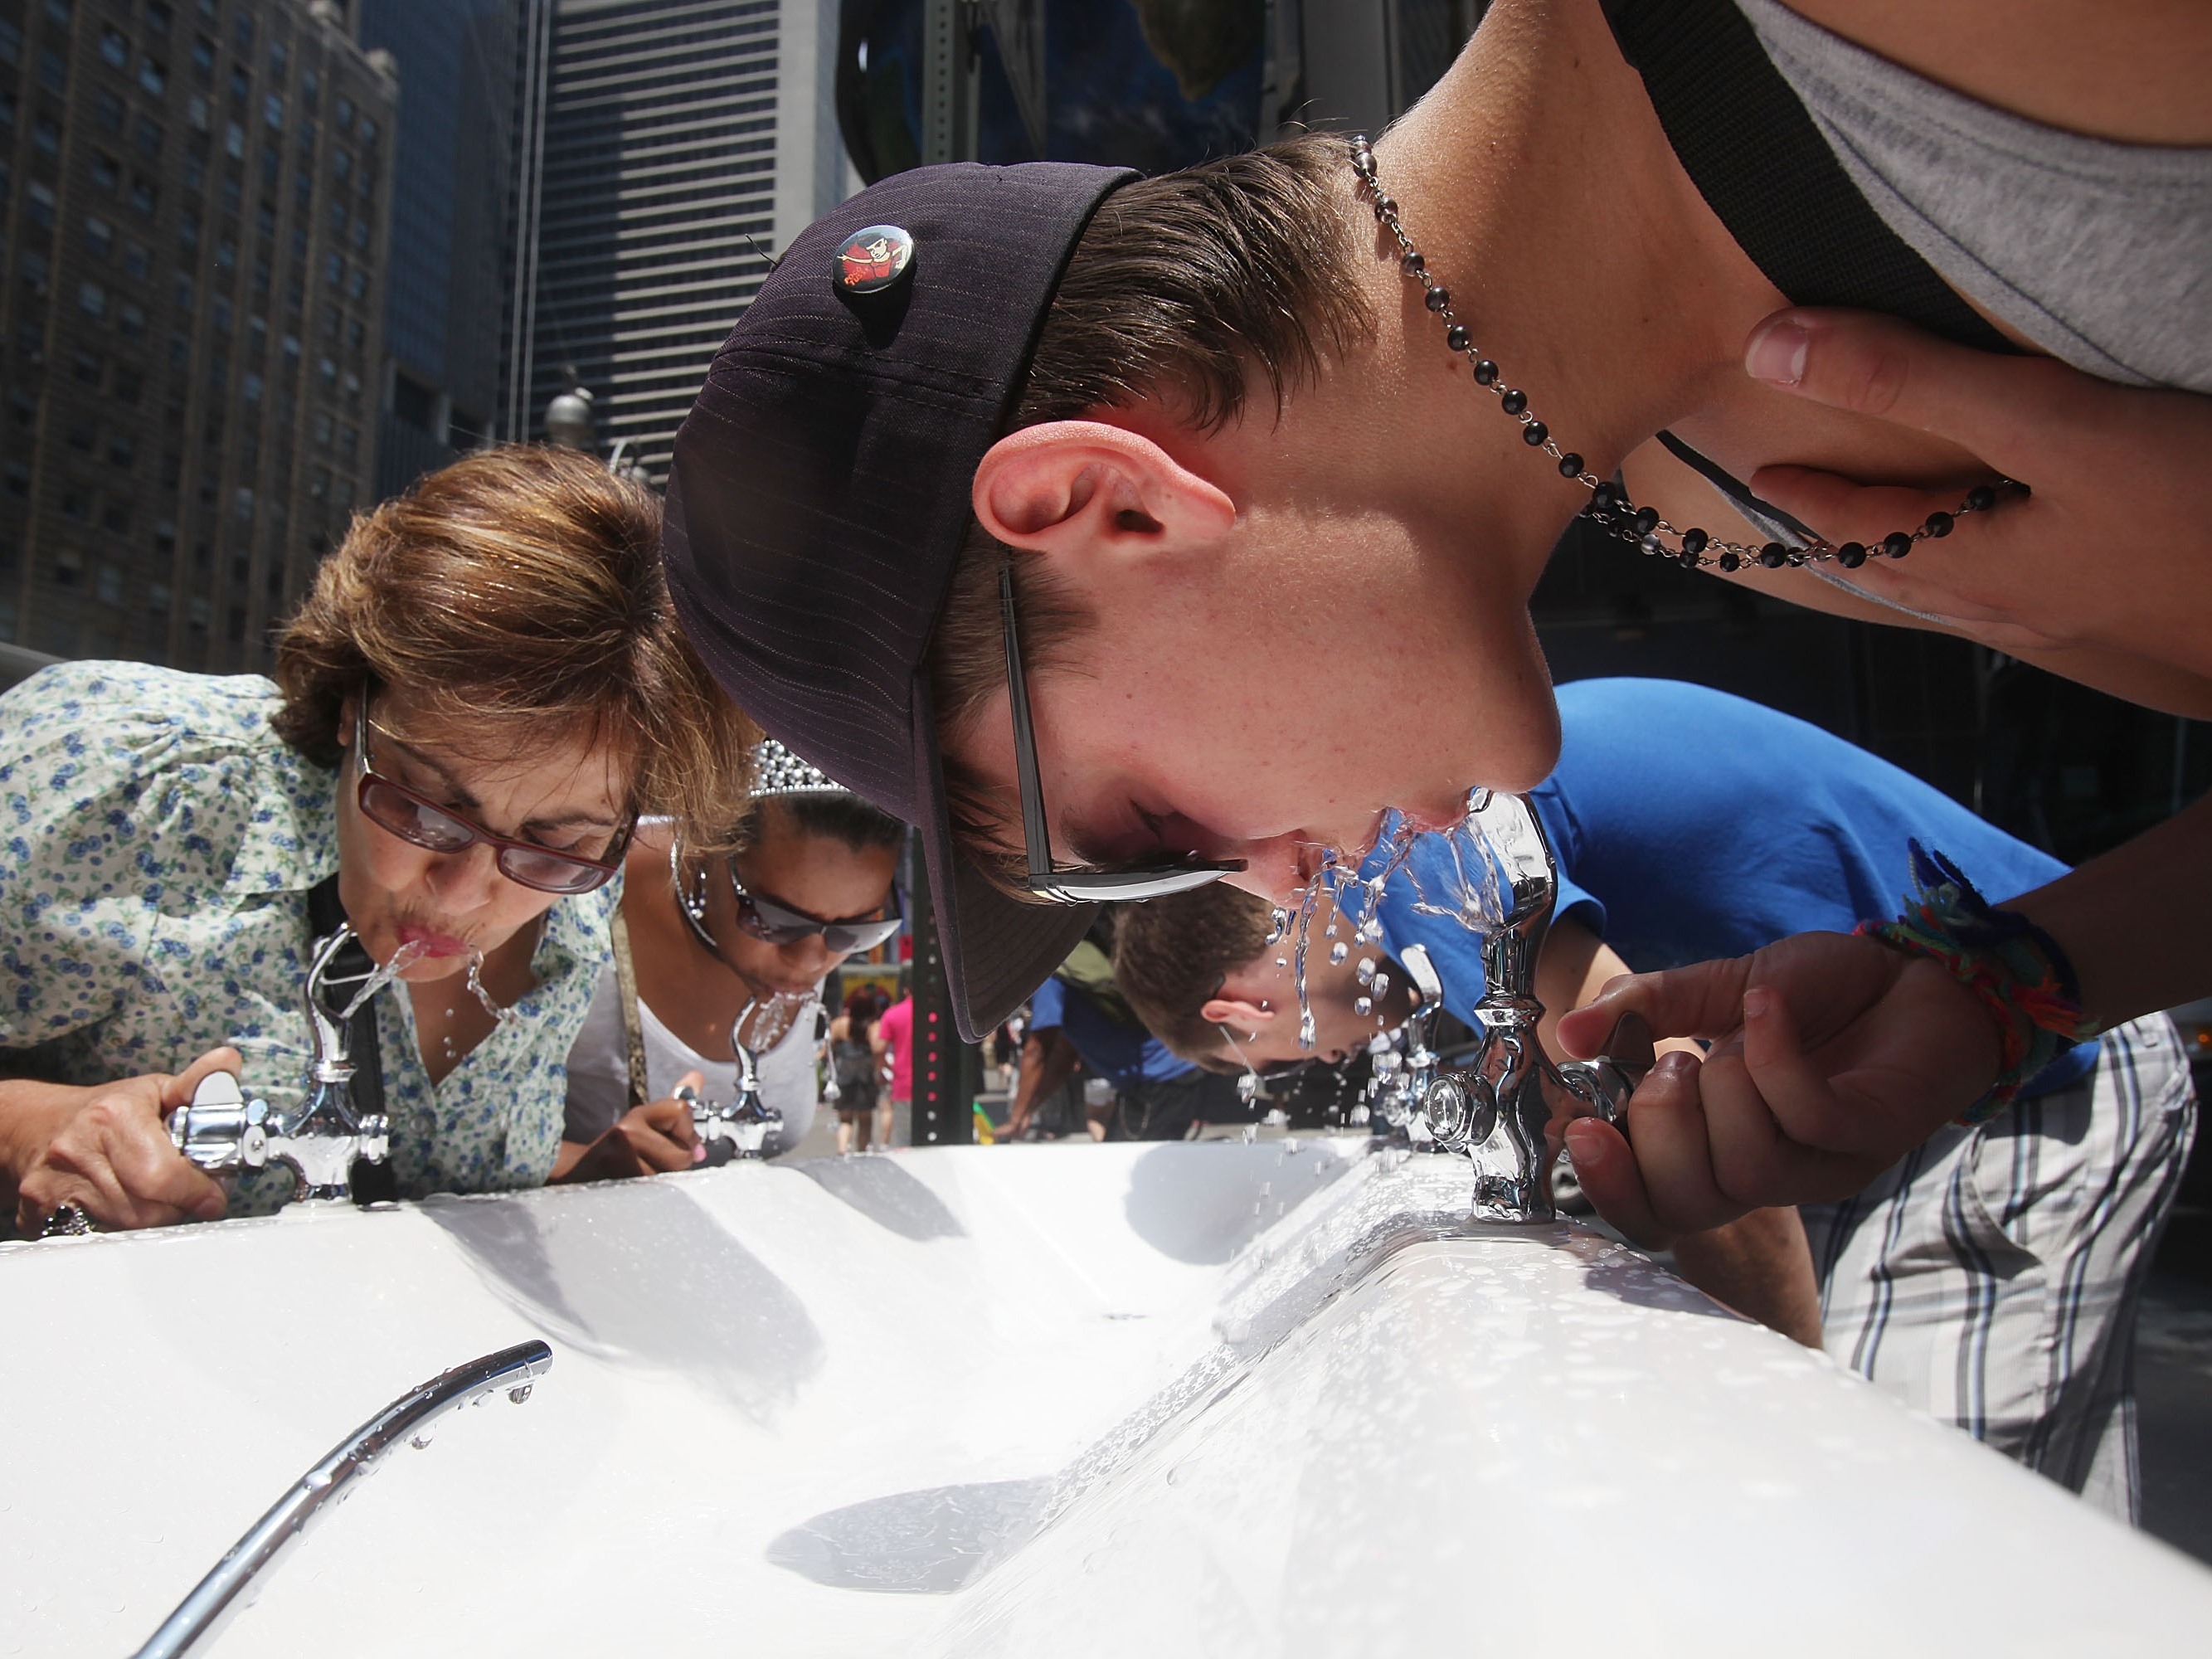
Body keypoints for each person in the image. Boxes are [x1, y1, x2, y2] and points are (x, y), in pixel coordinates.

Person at [659, 0, 2212, 1237]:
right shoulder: (1730, 500)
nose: (1272, 874)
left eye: (1143, 826)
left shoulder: (1865, 39)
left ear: (1102, 507)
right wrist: (2005, 985)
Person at [1114, 679, 2196, 1519]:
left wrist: (1776, 1419)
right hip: (1962, 1041)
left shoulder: (1411, 868)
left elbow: (1692, 1139)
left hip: (2033, 1060)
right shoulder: (1410, 860)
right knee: (2033, 1548)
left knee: (1899, 1510)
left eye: (1278, 1068)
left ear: (1236, 1017)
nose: (1318, 1062)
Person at [0, 447, 755, 1235]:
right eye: (425, 802)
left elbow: (427, 1185)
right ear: (351, 702)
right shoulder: (128, 778)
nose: (464, 893)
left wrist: (580, 1171)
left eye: (552, 839)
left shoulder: (574, 908)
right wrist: (27, 1125)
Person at [562, 742, 905, 1175]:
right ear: (708, 847)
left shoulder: (812, 931)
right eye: (775, 921)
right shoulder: (577, 893)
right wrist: (579, 1165)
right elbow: (454, 1140)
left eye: (856, 931)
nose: (811, 962)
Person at [1008, 919, 1246, 1143]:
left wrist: (1016, 1118)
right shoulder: (1066, 978)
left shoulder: (1050, 982)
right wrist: (1028, 1109)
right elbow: (1063, 1058)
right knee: (1133, 1165)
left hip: (1161, 1080)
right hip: (1161, 1079)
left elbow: (1036, 1051)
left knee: (1130, 1172)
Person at [829, 991, 883, 1154]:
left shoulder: (839, 1024)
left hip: (844, 1075)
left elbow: (827, 1048)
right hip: (865, 1077)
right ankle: (861, 1151)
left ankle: (842, 1149)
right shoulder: (873, 1026)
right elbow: (877, 1048)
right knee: (865, 1119)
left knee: (845, 1118)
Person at [873, 976, 912, 1150]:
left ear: (905, 991)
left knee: (904, 1142)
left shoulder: (893, 1014)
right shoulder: (936, 1013)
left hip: (903, 1081)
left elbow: (879, 1048)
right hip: (936, 1085)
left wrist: (885, 1069)